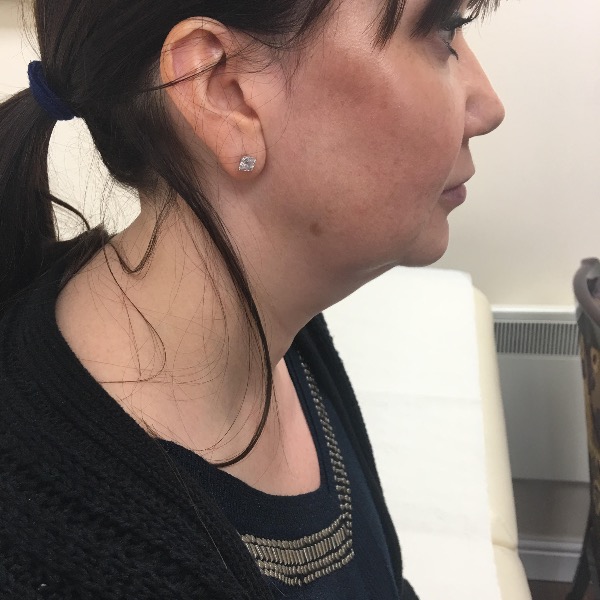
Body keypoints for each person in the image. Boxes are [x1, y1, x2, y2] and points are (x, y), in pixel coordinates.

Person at [0, 0, 504, 597]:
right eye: (443, 32)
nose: (489, 107)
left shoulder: (279, 320)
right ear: (226, 93)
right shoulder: (61, 560)